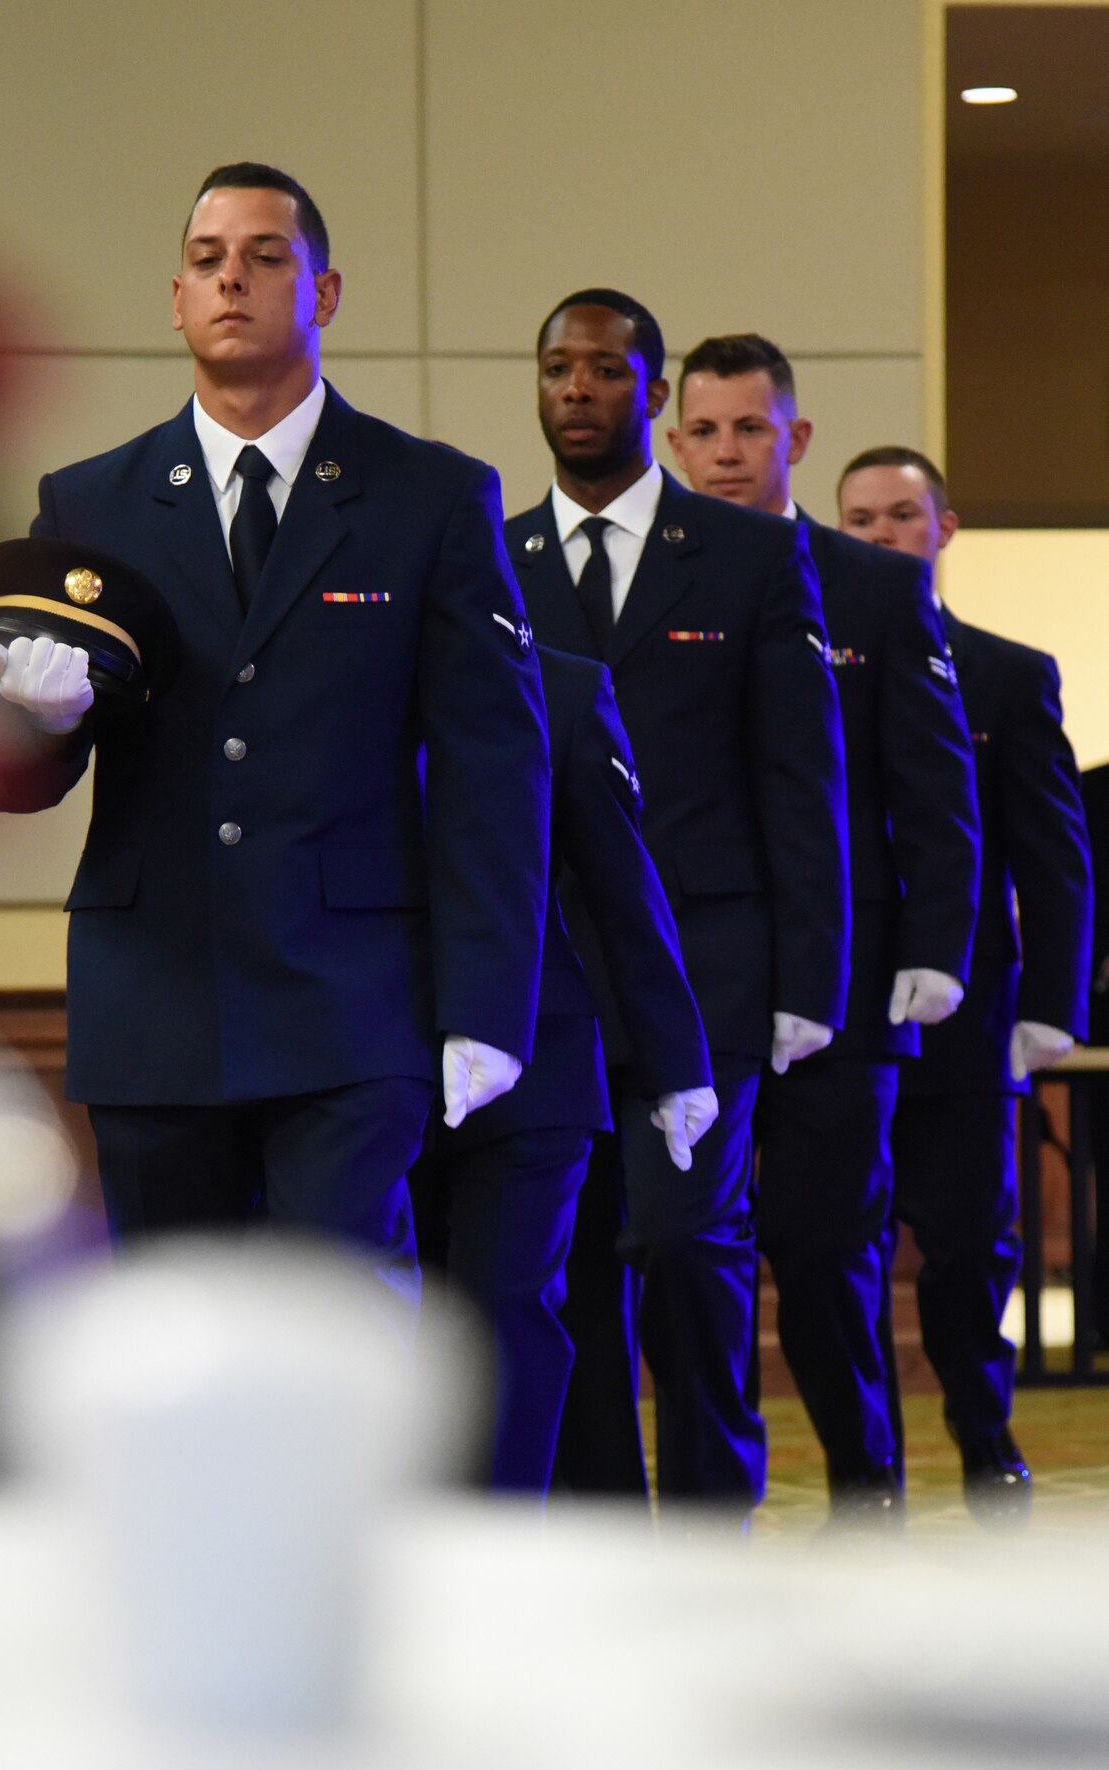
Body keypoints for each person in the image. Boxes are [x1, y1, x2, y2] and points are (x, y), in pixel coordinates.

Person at [0, 164, 551, 1287]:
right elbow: (18, 776)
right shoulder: (93, 503)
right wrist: (30, 719)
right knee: (171, 1334)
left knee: (340, 1321)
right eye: (206, 258)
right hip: (155, 993)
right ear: (174, 297)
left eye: (266, 255)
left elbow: (494, 763)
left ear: (324, 294)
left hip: (352, 997)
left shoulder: (428, 495)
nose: (232, 277)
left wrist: (488, 1003)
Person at [504, 289, 848, 1516]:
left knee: (680, 1245)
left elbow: (800, 779)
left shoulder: (751, 554)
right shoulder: (496, 558)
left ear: (653, 393)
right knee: (569, 1265)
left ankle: (711, 1520)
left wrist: (810, 980)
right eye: (557, 369)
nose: (579, 389)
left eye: (605, 370)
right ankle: (599, 1531)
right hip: (546, 985)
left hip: (708, 980)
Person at [669, 337, 980, 1521]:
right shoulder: (649, 583)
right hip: (688, 992)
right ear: (672, 439)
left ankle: (869, 1503)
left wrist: (934, 950)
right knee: (687, 1267)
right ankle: (710, 1518)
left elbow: (936, 795)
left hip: (843, 1000)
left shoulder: (871, 587)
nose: (727, 452)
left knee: (825, 1274)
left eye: (751, 430)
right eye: (705, 430)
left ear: (792, 441)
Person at [839, 446, 1093, 1519]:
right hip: (836, 1014)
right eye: (861, 520)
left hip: (969, 1024)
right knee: (833, 1252)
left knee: (964, 1258)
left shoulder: (1006, 672)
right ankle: (872, 1469)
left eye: (904, 515)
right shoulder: (806, 667)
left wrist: (1048, 1006)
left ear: (943, 529)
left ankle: (984, 1439)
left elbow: (1055, 855)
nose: (884, 535)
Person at [410, 645, 714, 1496]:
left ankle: (498, 1563)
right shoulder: (325, 673)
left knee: (509, 1318)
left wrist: (676, 1058)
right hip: (364, 1059)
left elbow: (625, 884)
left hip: (538, 1059)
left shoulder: (564, 685)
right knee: (391, 1321)